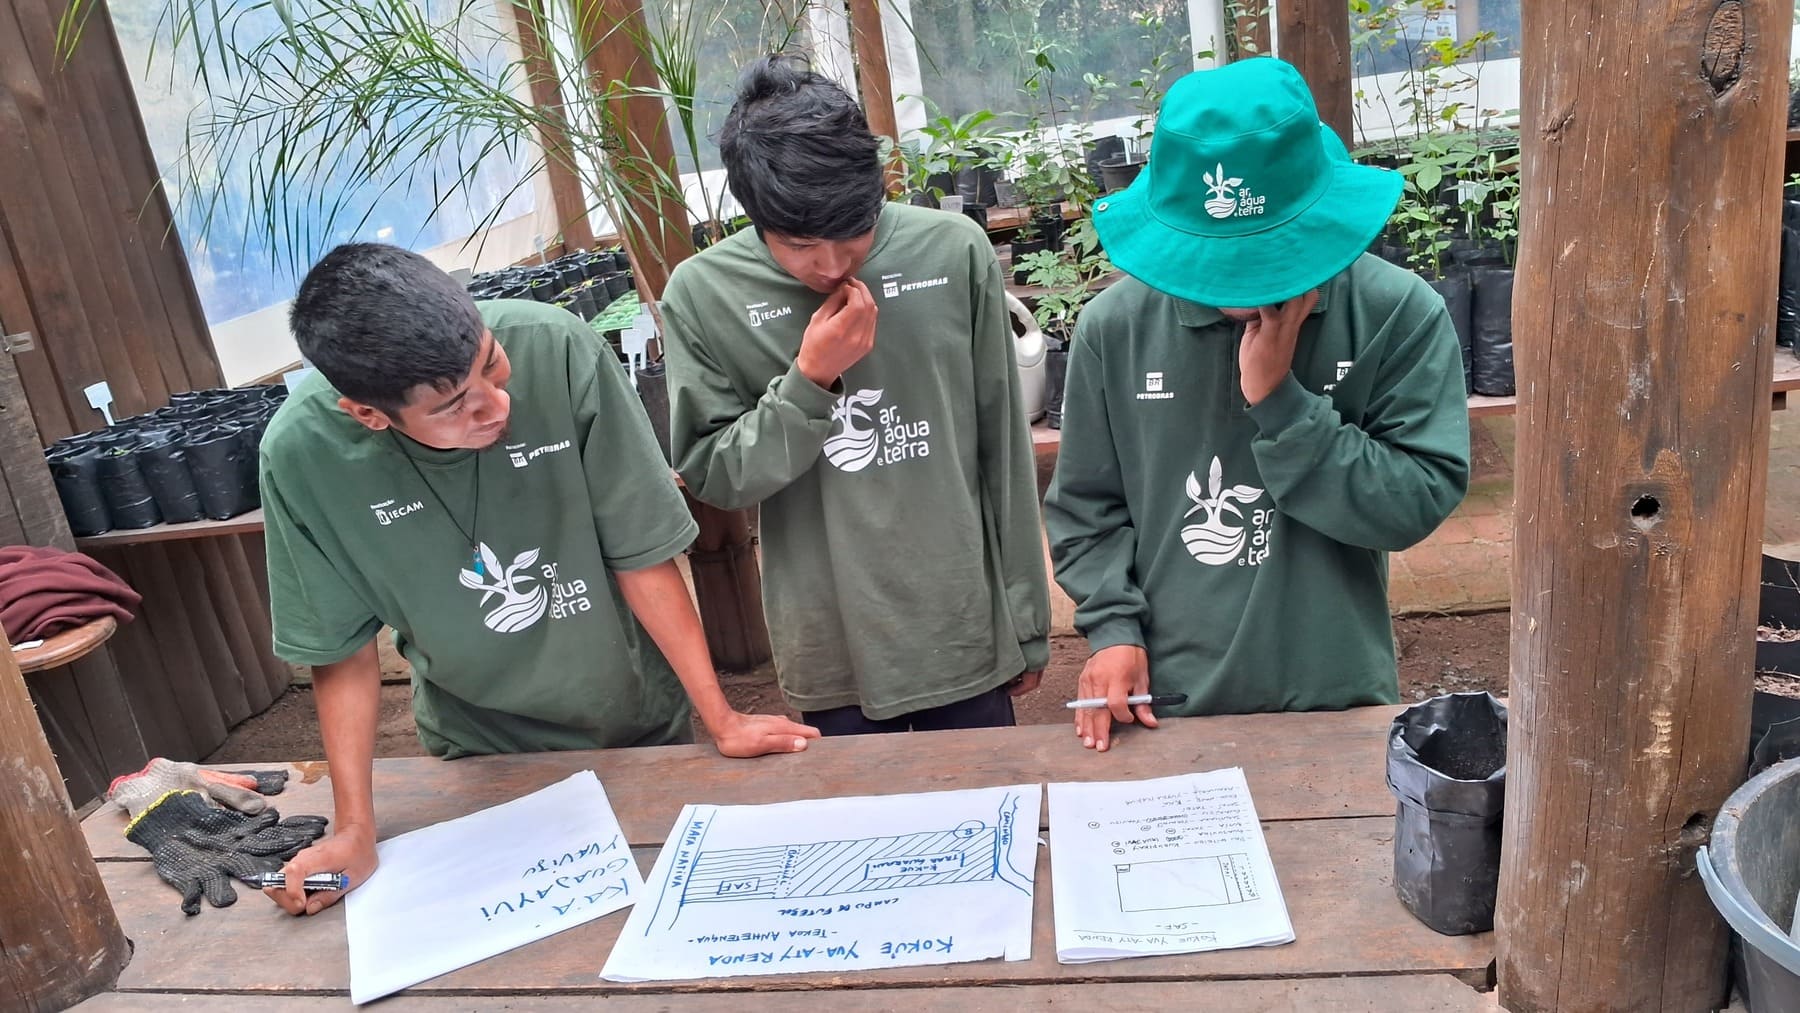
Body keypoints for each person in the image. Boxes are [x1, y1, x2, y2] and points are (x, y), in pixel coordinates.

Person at [259, 243, 818, 914]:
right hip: (479, 751)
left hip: (633, 721)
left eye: (492, 363)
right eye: (455, 407)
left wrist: (720, 717)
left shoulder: (558, 348)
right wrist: (355, 830)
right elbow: (342, 651)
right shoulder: (301, 456)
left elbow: (640, 553)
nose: (496, 404)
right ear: (369, 415)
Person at [1045, 57, 1471, 752]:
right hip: (1165, 696)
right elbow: (1086, 507)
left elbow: (1415, 501)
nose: (1239, 289)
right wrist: (1113, 627)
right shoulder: (1115, 328)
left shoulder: (1395, 311)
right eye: (1217, 260)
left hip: (1334, 689)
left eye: (1263, 255)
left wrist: (1282, 403)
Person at [661, 55, 1050, 735]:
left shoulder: (953, 251)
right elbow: (715, 475)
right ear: (755, 215)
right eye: (801, 245)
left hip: (962, 620)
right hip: (831, 636)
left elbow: (1004, 450)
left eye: (855, 233)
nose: (833, 264)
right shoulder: (703, 293)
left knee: (986, 791)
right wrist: (809, 381)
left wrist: (1027, 618)